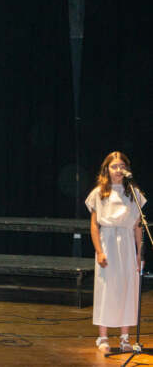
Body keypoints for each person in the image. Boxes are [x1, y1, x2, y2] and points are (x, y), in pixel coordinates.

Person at [87, 151, 146, 353]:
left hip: (127, 244)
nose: (118, 170)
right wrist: (99, 251)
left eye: (122, 166)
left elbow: (137, 226)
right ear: (107, 169)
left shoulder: (134, 194)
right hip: (107, 243)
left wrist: (139, 253)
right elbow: (94, 226)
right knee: (106, 288)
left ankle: (124, 338)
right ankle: (103, 337)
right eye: (114, 166)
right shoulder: (99, 193)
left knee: (128, 288)